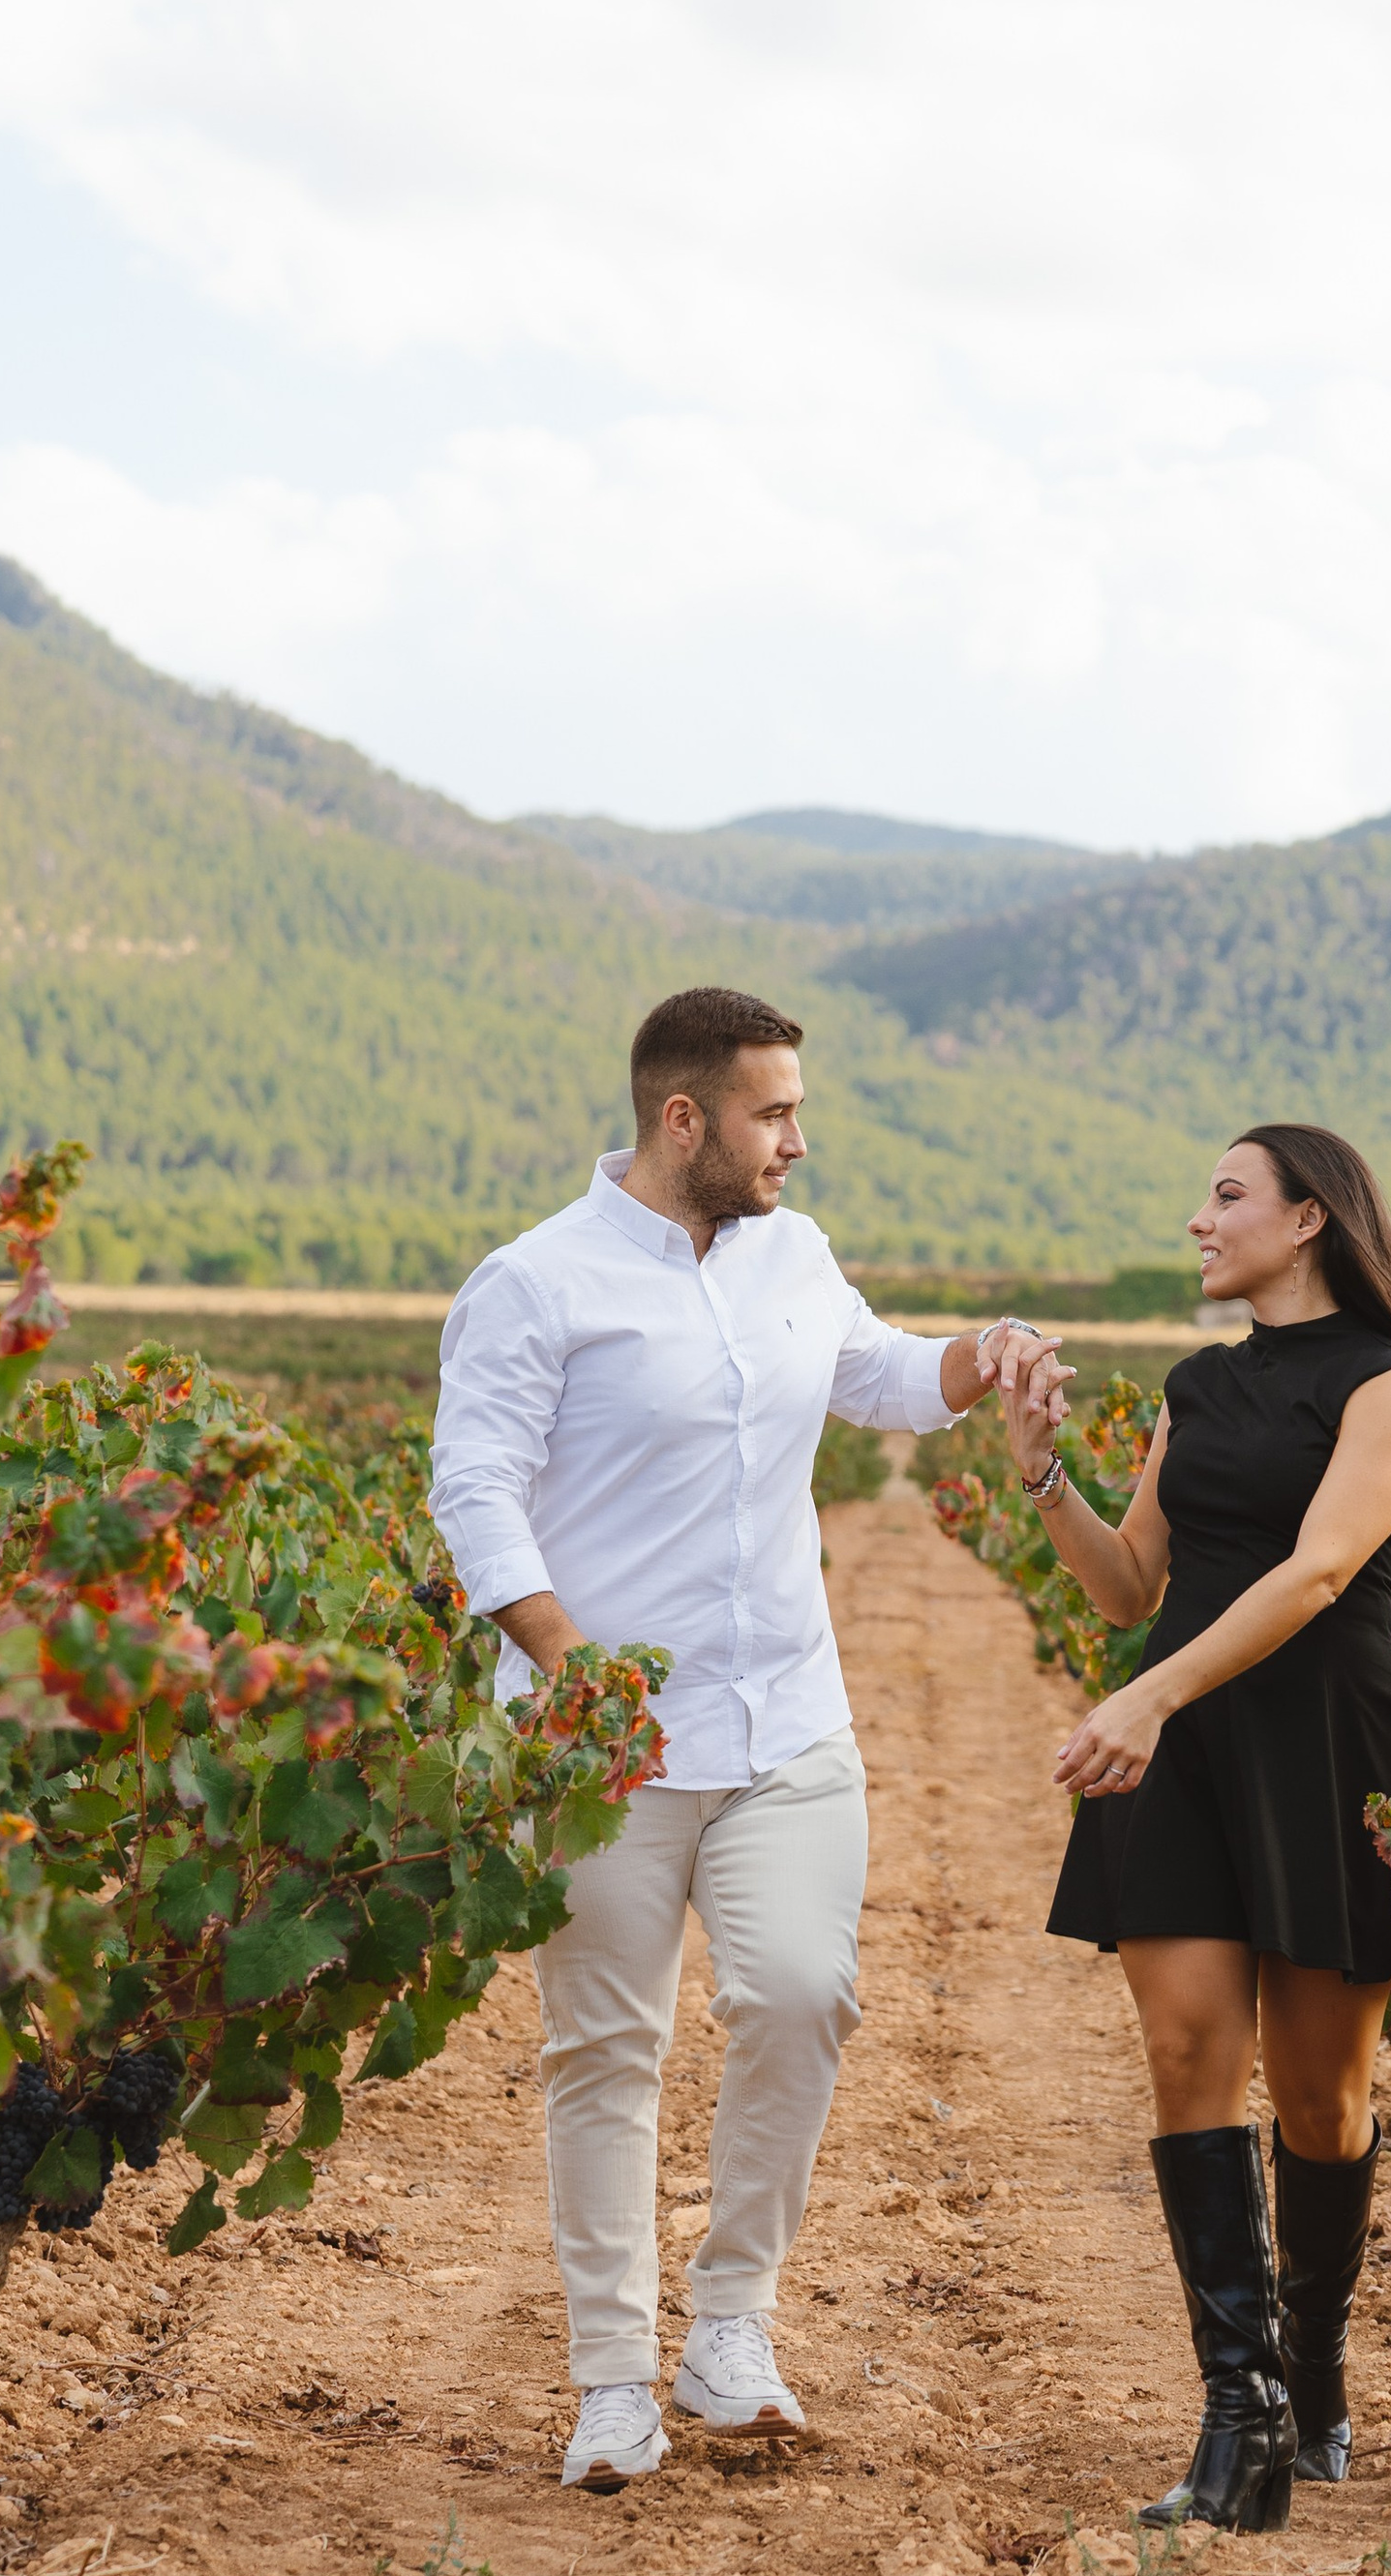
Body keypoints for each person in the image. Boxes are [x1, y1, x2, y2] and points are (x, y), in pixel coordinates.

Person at [429, 986, 1046, 2495]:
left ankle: (732, 2325)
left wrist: (982, 1353)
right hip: (601, 1748)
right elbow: (477, 1491)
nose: (798, 1141)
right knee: (605, 2051)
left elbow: (881, 1374)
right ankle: (609, 2382)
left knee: (802, 1996)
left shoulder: (796, 1253)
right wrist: (569, 1670)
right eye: (773, 1114)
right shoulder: (534, 1284)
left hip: (786, 1717)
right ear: (682, 1118)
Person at [995, 1122, 1391, 2535]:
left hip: (1328, 1744)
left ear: (1310, 1221)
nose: (1201, 1221)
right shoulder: (1196, 1386)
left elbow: (1322, 1573)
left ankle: (1313, 2370)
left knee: (1324, 2094)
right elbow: (1130, 1581)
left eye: (1227, 1196)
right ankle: (1243, 2414)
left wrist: (1148, 1696)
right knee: (1183, 2052)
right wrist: (1046, 1480)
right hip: (1190, 1741)